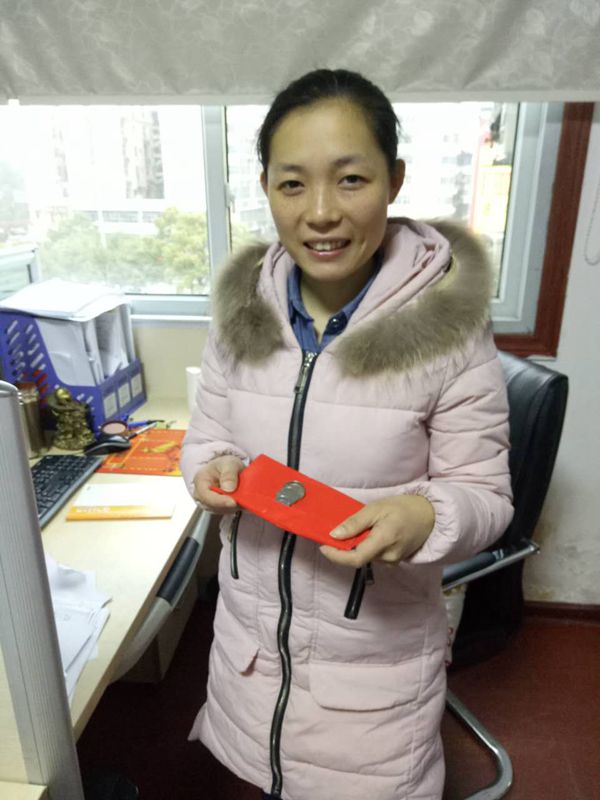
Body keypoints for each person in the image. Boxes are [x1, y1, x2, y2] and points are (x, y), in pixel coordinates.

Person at [181, 68, 514, 800]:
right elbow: (205, 437)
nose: (321, 213)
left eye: (351, 179)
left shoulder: (449, 329)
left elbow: (486, 496)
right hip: (248, 650)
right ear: (266, 187)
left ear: (395, 180)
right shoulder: (242, 311)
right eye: (292, 184)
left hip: (372, 668)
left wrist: (424, 515)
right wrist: (211, 468)